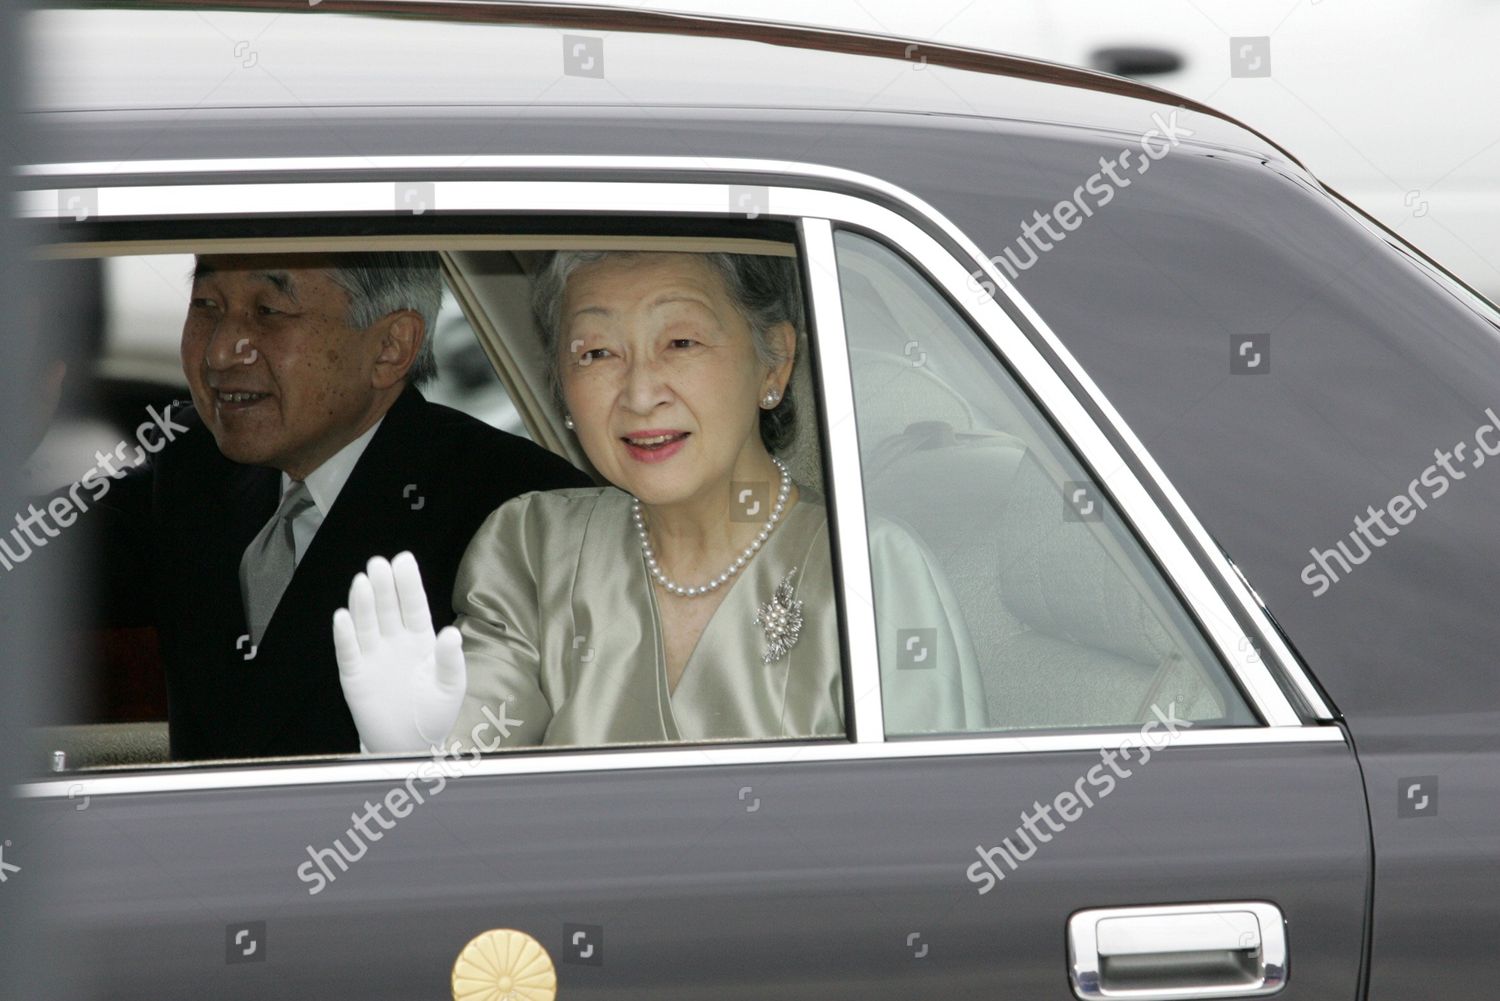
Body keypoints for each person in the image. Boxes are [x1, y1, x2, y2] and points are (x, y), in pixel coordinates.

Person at [335, 250, 987, 753]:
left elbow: (924, 839)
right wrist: (416, 753)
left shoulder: (866, 571)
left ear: (774, 363)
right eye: (596, 353)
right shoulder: (533, 548)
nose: (641, 392)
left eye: (681, 342)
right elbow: (475, 764)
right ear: (562, 390)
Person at [56, 251, 587, 760]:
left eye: (268, 312)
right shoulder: (197, 470)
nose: (220, 351)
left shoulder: (522, 517)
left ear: (390, 348)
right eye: (206, 305)